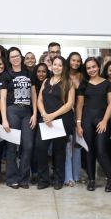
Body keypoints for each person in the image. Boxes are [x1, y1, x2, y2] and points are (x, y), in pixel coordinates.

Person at [76, 57, 111, 192]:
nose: (91, 70)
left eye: (93, 67)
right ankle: (91, 179)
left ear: (98, 67)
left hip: (102, 120)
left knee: (101, 150)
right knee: (89, 150)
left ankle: (110, 177)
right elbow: (79, 105)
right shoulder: (83, 84)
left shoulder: (106, 83)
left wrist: (104, 121)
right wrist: (78, 124)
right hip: (86, 120)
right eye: (88, 68)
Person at [0, 46, 37, 189]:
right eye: (12, 57)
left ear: (21, 57)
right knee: (12, 146)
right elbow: (3, 99)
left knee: (28, 145)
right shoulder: (6, 75)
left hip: (27, 112)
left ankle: (23, 178)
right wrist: (4, 119)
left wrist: (35, 114)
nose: (15, 58)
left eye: (17, 56)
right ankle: (11, 178)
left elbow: (33, 95)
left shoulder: (29, 73)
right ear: (9, 60)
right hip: (12, 111)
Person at [36, 56, 75, 190]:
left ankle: (58, 179)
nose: (57, 67)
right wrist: (44, 114)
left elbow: (70, 104)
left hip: (62, 120)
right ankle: (44, 179)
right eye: (55, 64)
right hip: (46, 120)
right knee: (40, 148)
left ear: (63, 68)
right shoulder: (46, 81)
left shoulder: (68, 82)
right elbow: (39, 100)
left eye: (60, 65)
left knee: (58, 150)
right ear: (51, 66)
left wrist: (52, 115)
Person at [65, 52, 84, 187]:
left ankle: (77, 175)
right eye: (73, 60)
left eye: (78, 61)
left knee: (78, 145)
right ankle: (68, 177)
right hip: (66, 113)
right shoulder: (63, 75)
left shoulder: (83, 76)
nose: (76, 63)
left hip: (82, 113)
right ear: (69, 61)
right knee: (67, 145)